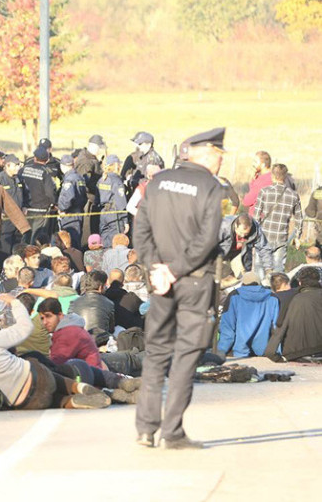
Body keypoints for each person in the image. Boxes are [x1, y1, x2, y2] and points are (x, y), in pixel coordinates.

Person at [133, 127, 227, 449]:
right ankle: (172, 432)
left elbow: (140, 229)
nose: (220, 161)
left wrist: (154, 267)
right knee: (186, 355)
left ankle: (145, 429)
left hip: (160, 282)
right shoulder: (211, 188)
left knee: (156, 353)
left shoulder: (158, 182)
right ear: (203, 154)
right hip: (195, 281)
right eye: (218, 155)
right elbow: (207, 239)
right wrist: (174, 269)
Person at [0, 295, 111, 410]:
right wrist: (15, 303)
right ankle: (79, 387)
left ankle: (71, 402)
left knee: (51, 401)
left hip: (19, 400)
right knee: (35, 362)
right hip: (36, 376)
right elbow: (25, 327)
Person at [264, 267, 322, 362]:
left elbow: (281, 326)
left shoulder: (294, 299)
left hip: (298, 352)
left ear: (300, 282)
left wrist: (272, 353)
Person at [253, 163, 303, 273]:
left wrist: (254, 235)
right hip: (281, 237)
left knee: (259, 268)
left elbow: (256, 217)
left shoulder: (264, 191)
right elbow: (299, 218)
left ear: (272, 175)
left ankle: (260, 289)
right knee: (278, 271)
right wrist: (297, 236)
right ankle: (277, 290)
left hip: (263, 237)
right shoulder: (293, 195)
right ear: (285, 176)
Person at [217, 272, 278, 358]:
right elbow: (276, 326)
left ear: (243, 283)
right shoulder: (272, 297)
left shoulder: (235, 295)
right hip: (264, 350)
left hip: (239, 350)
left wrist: (221, 350)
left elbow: (228, 327)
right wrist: (277, 350)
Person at [218, 214, 273, 281]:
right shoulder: (224, 226)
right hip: (220, 252)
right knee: (222, 278)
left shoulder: (255, 229)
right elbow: (209, 244)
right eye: (241, 232)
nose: (243, 236)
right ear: (236, 225)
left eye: (246, 234)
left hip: (239, 253)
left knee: (243, 279)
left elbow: (264, 248)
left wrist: (268, 269)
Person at [20, 146, 57, 243]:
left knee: (25, 235)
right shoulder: (47, 172)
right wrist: (53, 203)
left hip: (25, 209)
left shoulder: (24, 169)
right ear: (47, 159)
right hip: (41, 210)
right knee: (37, 238)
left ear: (34, 158)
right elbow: (50, 192)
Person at [0, 154, 25, 253]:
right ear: (8, 165)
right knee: (5, 249)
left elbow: (25, 193)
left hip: (18, 220)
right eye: (16, 165)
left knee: (17, 248)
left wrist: (25, 206)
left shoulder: (19, 178)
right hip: (5, 221)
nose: (18, 167)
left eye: (19, 164)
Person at [96, 154, 129, 248]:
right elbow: (121, 203)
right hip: (115, 215)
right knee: (117, 243)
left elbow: (97, 199)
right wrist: (125, 221)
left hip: (103, 214)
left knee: (104, 242)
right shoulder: (116, 181)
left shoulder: (101, 179)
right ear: (115, 165)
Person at [56, 155, 88, 250]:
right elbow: (84, 197)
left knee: (69, 241)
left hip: (69, 214)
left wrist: (62, 208)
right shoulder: (79, 177)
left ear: (62, 166)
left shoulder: (69, 179)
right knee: (76, 239)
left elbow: (67, 197)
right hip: (78, 212)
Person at [242, 150, 273, 215]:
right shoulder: (273, 177)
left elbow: (247, 201)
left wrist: (252, 181)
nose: (253, 164)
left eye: (255, 162)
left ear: (263, 165)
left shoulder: (262, 181)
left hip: (258, 219)